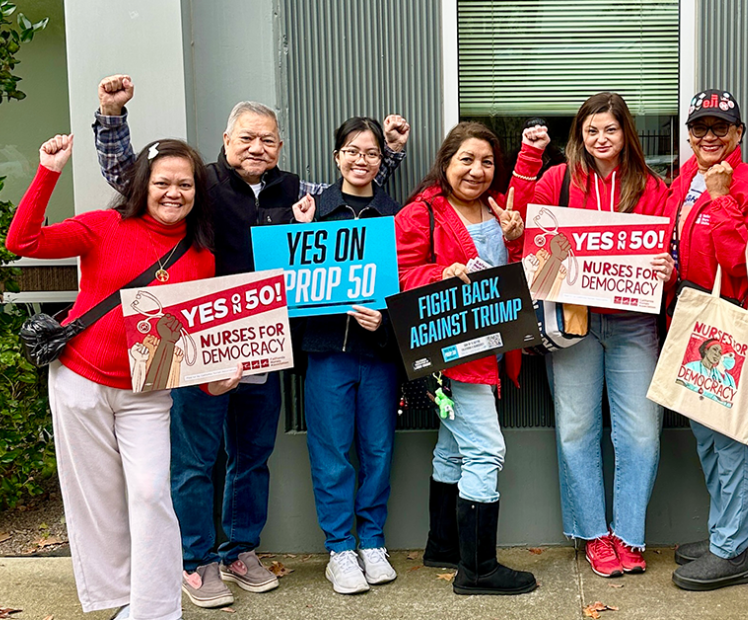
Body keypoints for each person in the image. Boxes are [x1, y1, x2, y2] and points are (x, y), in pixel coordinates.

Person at [90, 74, 409, 608]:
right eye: (247, 138)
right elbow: (132, 176)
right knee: (196, 457)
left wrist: (390, 152)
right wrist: (112, 117)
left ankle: (240, 550)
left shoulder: (297, 190)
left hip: (266, 340)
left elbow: (359, 188)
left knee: (252, 453)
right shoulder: (200, 183)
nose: (257, 148)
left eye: (268, 140)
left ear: (280, 146)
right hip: (199, 338)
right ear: (225, 139)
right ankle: (198, 562)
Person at [6, 134, 240, 620]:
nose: (173, 193)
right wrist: (48, 171)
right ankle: (120, 601)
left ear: (199, 192)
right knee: (97, 498)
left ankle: (157, 610)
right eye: (162, 183)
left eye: (185, 185)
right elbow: (21, 241)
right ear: (142, 185)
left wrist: (214, 380)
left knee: (152, 493)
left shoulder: (201, 257)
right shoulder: (104, 226)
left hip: (146, 395)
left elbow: (189, 346)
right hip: (80, 381)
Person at [395, 121, 547, 595]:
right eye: (466, 160)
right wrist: (446, 271)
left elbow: (522, 277)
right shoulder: (422, 213)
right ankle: (478, 569)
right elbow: (399, 276)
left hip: (493, 349)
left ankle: (443, 544)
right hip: (452, 355)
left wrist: (517, 239)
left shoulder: (500, 209)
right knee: (486, 451)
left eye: (486, 162)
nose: (477, 170)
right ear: (446, 163)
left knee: (453, 447)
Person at [529, 92, 673, 579]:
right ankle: (594, 534)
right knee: (576, 431)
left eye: (609, 129)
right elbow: (530, 239)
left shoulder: (653, 185)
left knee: (640, 434)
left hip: (634, 322)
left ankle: (629, 534)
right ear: (580, 135)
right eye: (591, 130)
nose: (600, 139)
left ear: (625, 132)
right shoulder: (557, 179)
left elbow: (668, 255)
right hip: (574, 321)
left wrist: (666, 267)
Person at [666, 89, 748, 591]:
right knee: (709, 438)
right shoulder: (682, 182)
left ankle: (732, 551)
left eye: (720, 128)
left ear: (738, 134)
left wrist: (720, 199)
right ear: (688, 134)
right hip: (693, 317)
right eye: (700, 128)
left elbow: (746, 260)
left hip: (733, 320)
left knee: (732, 439)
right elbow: (677, 245)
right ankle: (728, 535)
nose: (709, 136)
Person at [287, 117, 402, 594]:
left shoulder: (395, 215)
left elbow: (410, 285)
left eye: (371, 153)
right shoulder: (313, 212)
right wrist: (302, 234)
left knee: (377, 450)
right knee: (331, 452)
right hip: (327, 351)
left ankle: (372, 541)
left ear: (382, 160)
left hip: (377, 355)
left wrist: (386, 320)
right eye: (352, 151)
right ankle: (340, 549)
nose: (361, 160)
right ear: (336, 157)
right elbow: (288, 284)